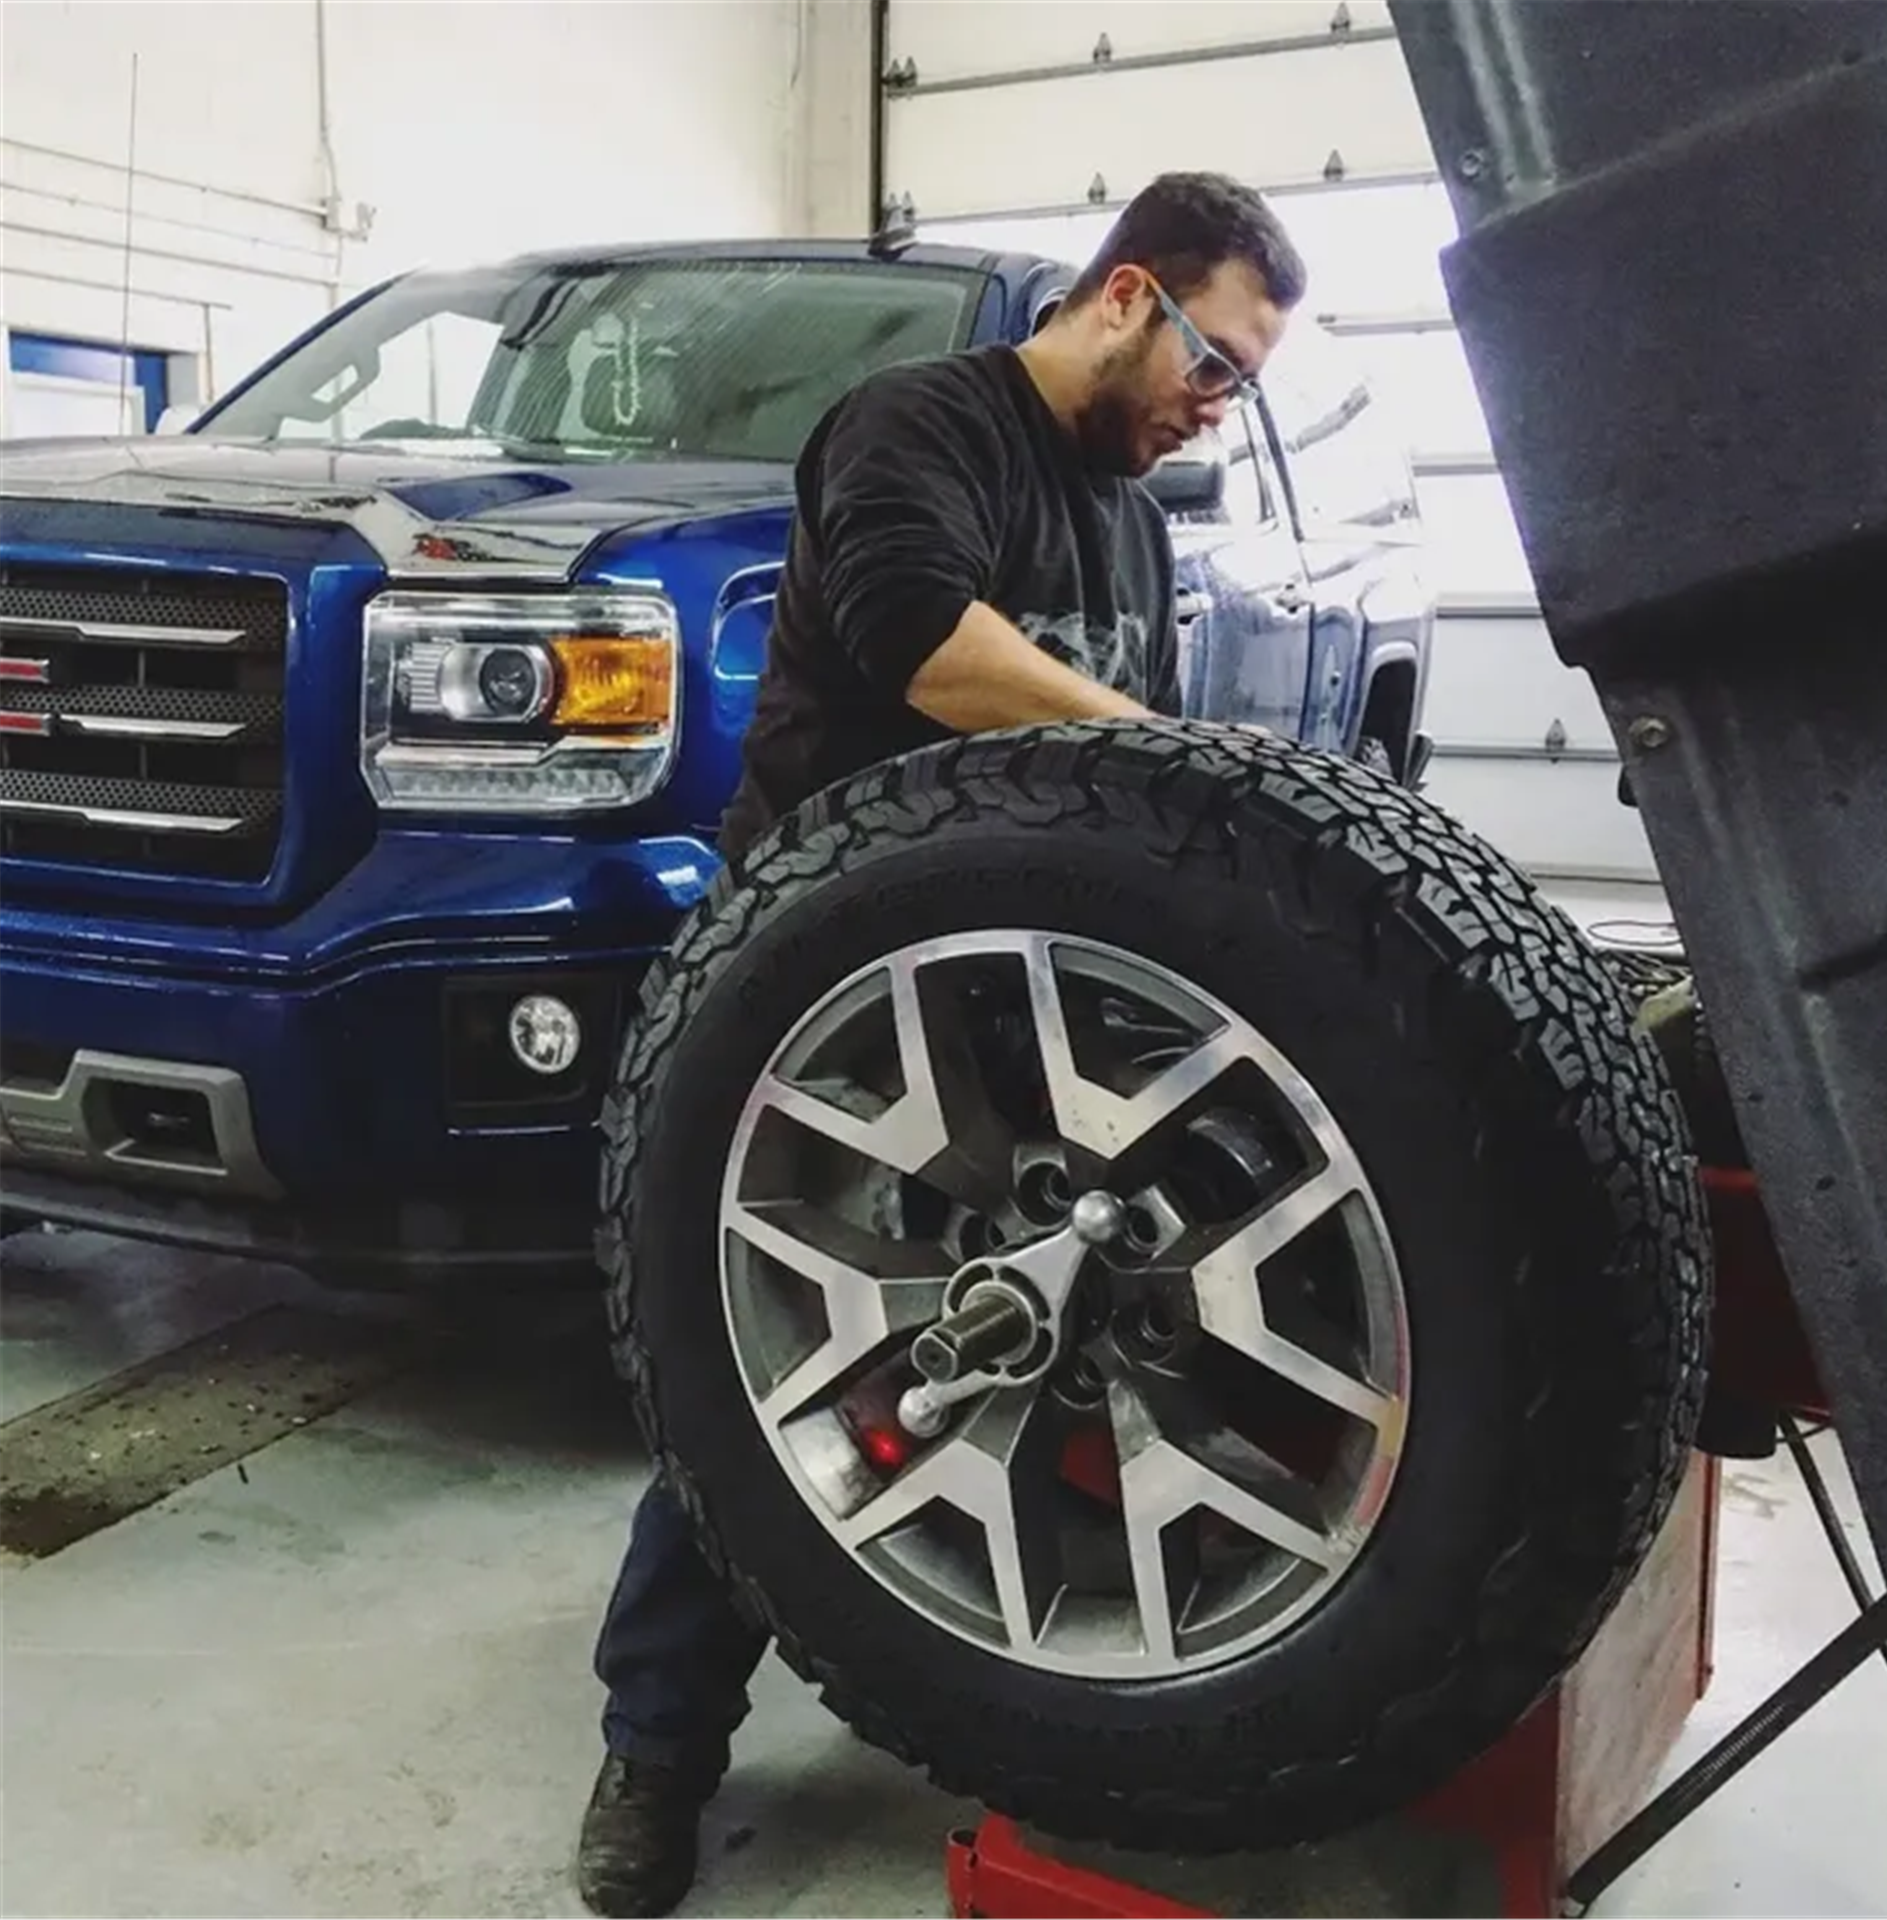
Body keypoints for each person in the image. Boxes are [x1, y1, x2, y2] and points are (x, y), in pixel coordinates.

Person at [575, 168, 1307, 1920]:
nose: (1219, 406)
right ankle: (657, 1745)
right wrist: (1177, 755)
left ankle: (984, 1650)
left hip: (1019, 1008)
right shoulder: (919, 427)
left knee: (1015, 1350)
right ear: (1126, 296)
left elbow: (1122, 788)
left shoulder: (1130, 525)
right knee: (772, 1379)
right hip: (822, 1012)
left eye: (1245, 384)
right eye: (1215, 362)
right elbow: (930, 650)